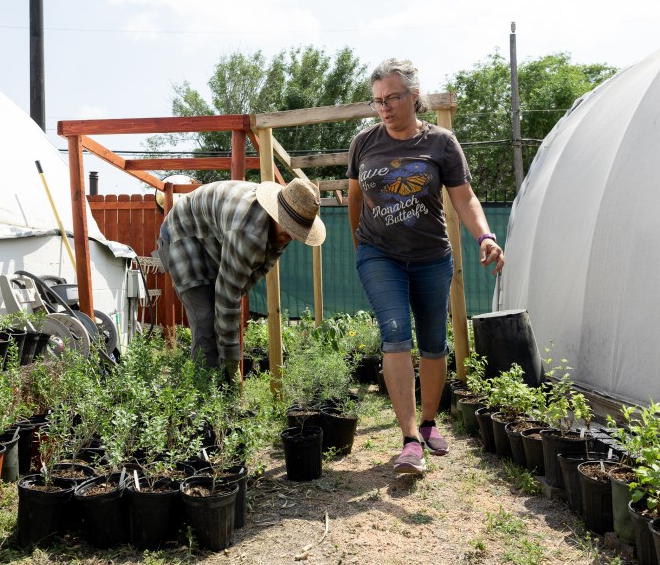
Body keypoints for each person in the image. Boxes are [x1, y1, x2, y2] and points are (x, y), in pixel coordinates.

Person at [346, 58, 505, 474]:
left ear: (414, 97)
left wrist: (485, 236)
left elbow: (464, 198)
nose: (384, 107)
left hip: (433, 256)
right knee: (396, 332)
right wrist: (360, 243)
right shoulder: (363, 143)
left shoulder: (442, 143)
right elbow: (355, 197)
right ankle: (410, 438)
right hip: (380, 255)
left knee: (434, 342)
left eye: (393, 97)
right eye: (378, 100)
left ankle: (431, 421)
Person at [154, 178, 326, 383]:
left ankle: (219, 390)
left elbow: (250, 276)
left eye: (299, 230)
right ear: (276, 213)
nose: (295, 236)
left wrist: (229, 350)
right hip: (181, 233)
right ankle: (204, 400)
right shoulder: (248, 232)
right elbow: (227, 298)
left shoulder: (281, 229)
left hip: (209, 239)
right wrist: (233, 365)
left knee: (220, 321)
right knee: (206, 321)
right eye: (291, 228)